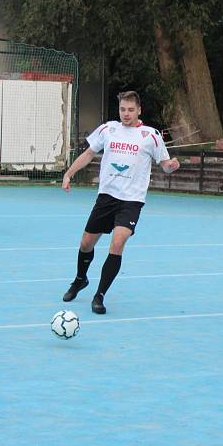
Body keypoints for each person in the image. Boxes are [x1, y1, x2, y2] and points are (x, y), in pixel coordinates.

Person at [60, 91, 180, 314]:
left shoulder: (150, 135)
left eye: (131, 110)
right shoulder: (108, 129)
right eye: (123, 109)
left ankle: (99, 295)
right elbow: (88, 154)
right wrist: (68, 174)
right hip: (107, 196)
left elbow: (164, 164)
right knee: (86, 244)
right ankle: (80, 279)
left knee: (117, 243)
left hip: (131, 201)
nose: (126, 114)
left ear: (139, 110)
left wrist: (171, 165)